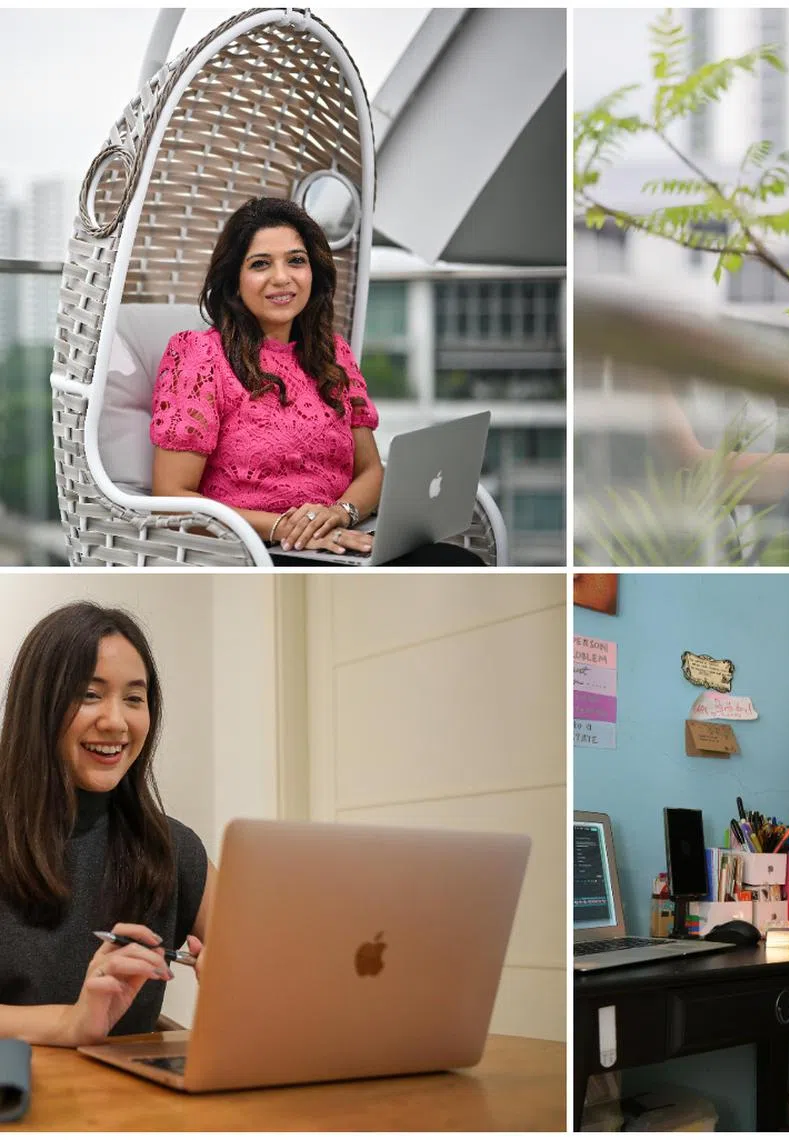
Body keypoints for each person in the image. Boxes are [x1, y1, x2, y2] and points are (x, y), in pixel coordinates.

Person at [150, 196, 483, 566]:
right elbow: (171, 496)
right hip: (254, 552)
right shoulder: (199, 356)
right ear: (233, 281)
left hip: (341, 538)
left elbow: (371, 470)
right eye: (260, 264)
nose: (282, 277)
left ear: (314, 272)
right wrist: (286, 528)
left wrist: (341, 513)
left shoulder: (332, 356)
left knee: (457, 561)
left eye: (296, 260)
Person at [0, 603, 216, 1045]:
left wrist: (243, 982)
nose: (116, 722)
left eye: (134, 698)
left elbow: (265, 958)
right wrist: (70, 1023)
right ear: (39, 704)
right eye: (89, 695)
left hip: (132, 1110)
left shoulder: (173, 849)